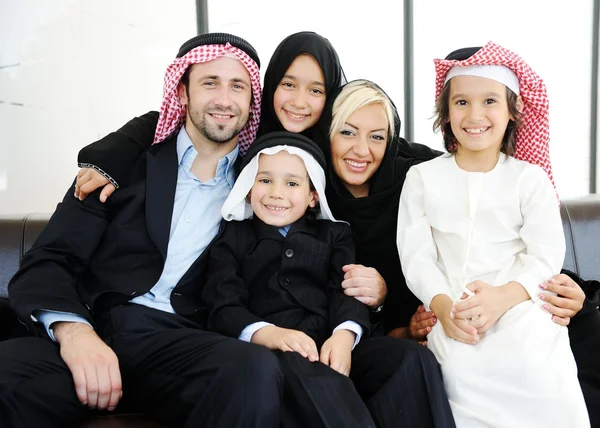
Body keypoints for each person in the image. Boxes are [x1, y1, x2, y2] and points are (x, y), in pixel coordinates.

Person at [0, 33, 286, 428]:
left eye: (238, 85)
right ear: (182, 93)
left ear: (251, 100)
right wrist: (74, 333)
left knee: (253, 372)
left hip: (184, 346)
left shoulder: (263, 187)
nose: (224, 98)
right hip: (96, 326)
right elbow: (49, 260)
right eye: (209, 83)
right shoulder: (121, 165)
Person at [396, 42, 590, 427]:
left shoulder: (529, 179)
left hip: (522, 312)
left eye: (489, 101)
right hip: (455, 315)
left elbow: (544, 255)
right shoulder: (421, 178)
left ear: (511, 112)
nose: (475, 115)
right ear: (446, 113)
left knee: (541, 372)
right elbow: (416, 256)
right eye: (462, 102)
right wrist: (442, 307)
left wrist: (504, 298)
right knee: (456, 375)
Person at [202, 131, 375, 427]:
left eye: (292, 183)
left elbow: (345, 289)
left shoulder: (335, 235)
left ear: (312, 196)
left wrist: (344, 337)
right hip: (274, 350)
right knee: (310, 374)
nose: (276, 193)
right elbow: (223, 303)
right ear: (248, 188)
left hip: (335, 341)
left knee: (408, 359)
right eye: (265, 180)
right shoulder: (233, 238)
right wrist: (271, 335)